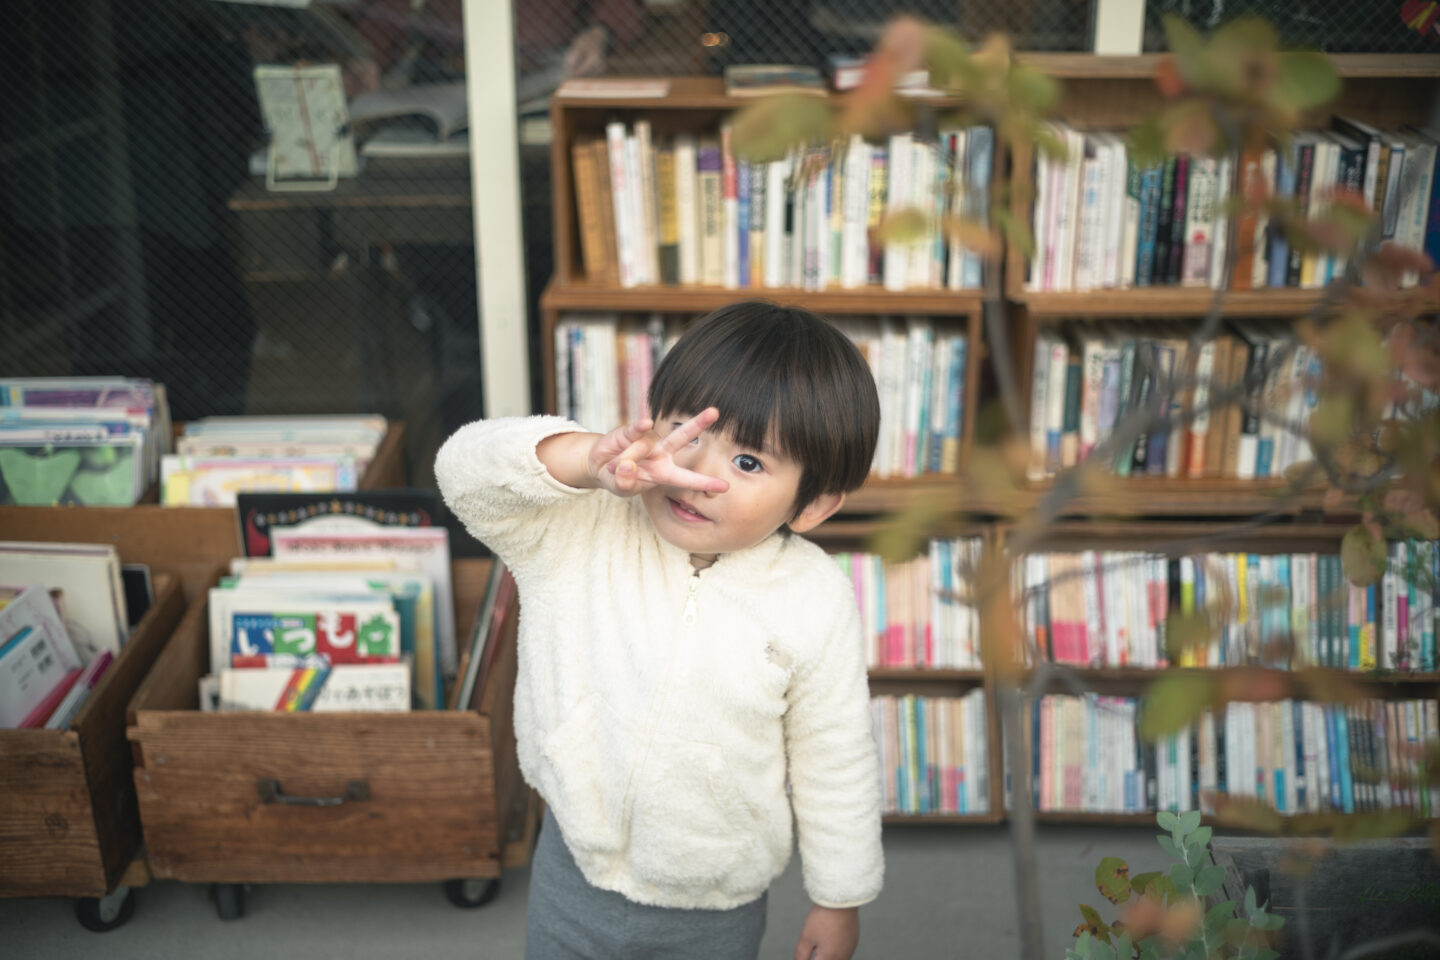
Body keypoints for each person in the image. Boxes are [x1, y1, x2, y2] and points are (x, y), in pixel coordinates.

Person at [434, 301, 884, 960]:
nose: (697, 475)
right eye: (684, 431)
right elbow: (462, 472)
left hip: (716, 903)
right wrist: (584, 459)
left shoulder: (814, 599)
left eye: (749, 463)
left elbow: (835, 755)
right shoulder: (577, 527)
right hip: (572, 866)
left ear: (811, 504)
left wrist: (839, 900)